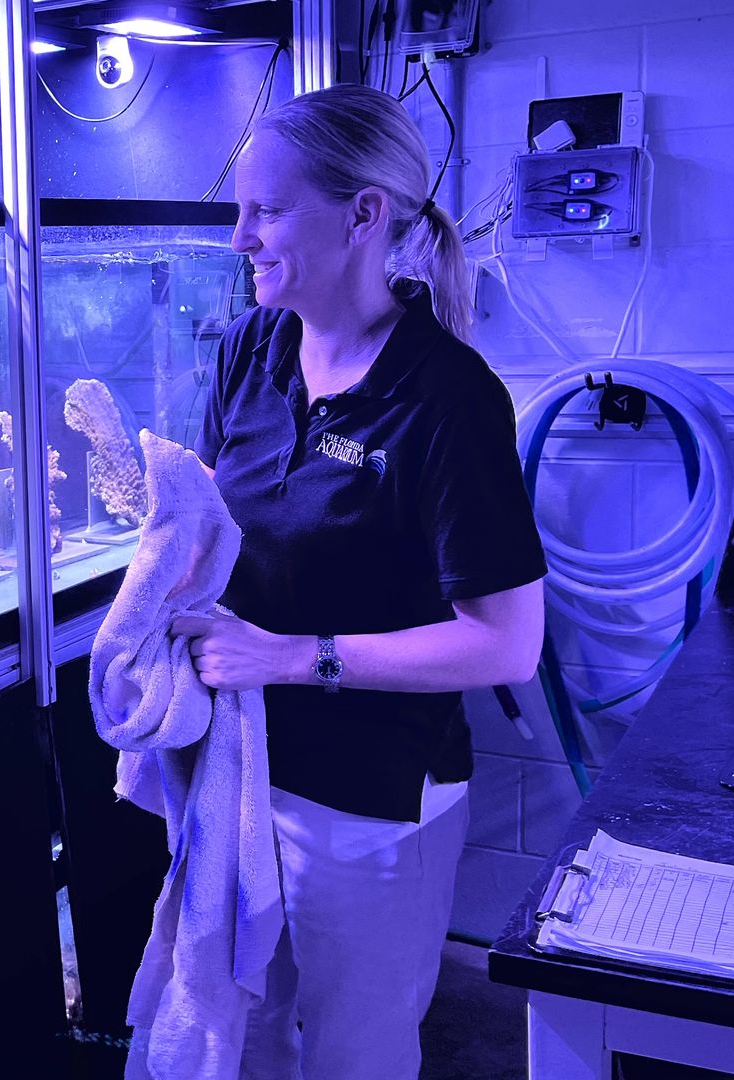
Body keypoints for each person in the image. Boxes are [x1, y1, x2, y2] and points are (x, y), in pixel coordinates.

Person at [169, 84, 548, 1079]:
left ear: (364, 214)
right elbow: (214, 517)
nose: (242, 234)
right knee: (241, 1036)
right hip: (244, 771)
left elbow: (506, 641)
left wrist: (294, 656)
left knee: (354, 1055)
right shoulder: (253, 349)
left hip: (371, 802)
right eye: (240, 208)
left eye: (269, 209)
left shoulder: (447, 399)